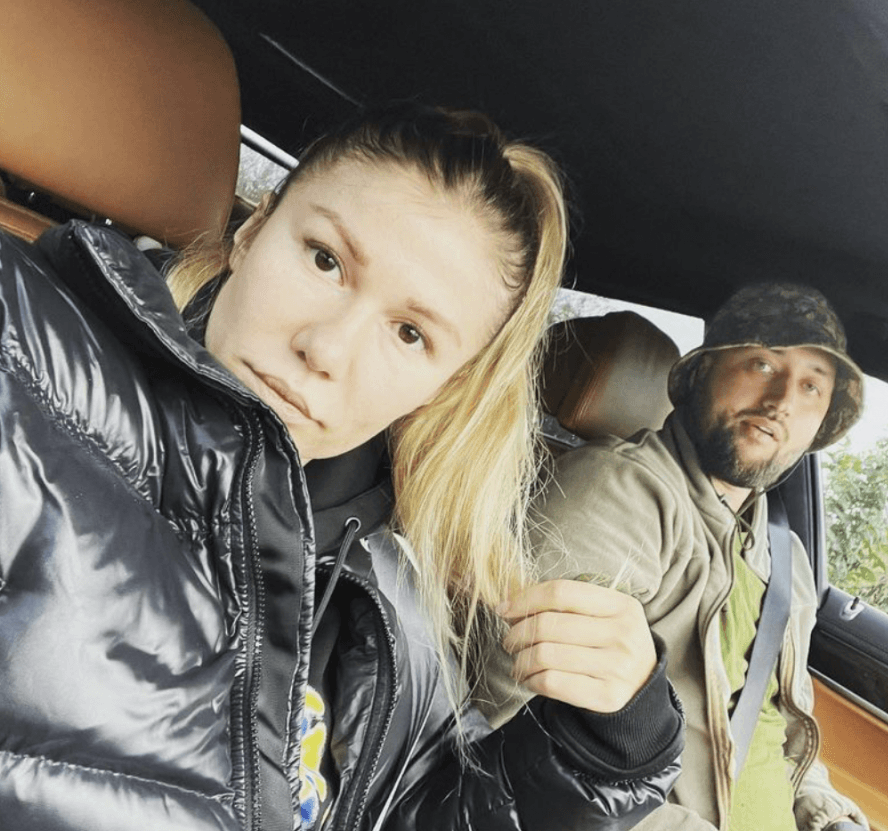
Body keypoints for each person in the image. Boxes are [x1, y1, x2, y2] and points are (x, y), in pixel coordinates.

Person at [0, 103, 683, 831]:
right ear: (254, 231)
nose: (325, 348)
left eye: (410, 333)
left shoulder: (391, 595)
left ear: (441, 388)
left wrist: (612, 743)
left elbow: (415, 812)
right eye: (325, 260)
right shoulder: (23, 354)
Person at [479, 282, 871, 831]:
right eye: (761, 364)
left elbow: (775, 721)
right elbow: (503, 732)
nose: (782, 401)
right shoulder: (619, 493)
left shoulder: (784, 554)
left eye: (812, 386)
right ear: (702, 372)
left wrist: (823, 813)